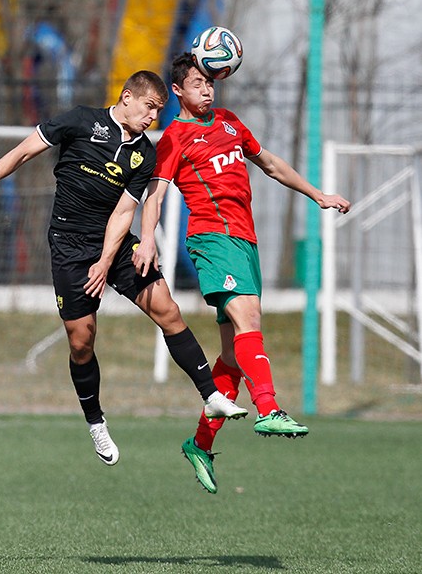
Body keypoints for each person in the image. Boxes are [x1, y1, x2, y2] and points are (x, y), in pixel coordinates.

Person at [0, 70, 247, 467]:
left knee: (167, 308)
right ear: (127, 98)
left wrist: (107, 260)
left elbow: (125, 210)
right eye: (149, 108)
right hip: (68, 246)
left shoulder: (144, 154)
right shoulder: (79, 120)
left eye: (159, 112)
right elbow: (23, 152)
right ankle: (95, 421)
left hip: (112, 242)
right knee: (81, 341)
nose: (153, 118)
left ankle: (210, 395)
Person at [133, 53, 351, 494]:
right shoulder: (174, 137)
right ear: (178, 91)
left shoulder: (230, 122)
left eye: (211, 82)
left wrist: (317, 194)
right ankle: (269, 408)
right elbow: (154, 195)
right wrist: (149, 238)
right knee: (249, 320)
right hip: (213, 240)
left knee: (233, 355)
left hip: (245, 243)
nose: (208, 90)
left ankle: (200, 443)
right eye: (198, 83)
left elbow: (269, 163)